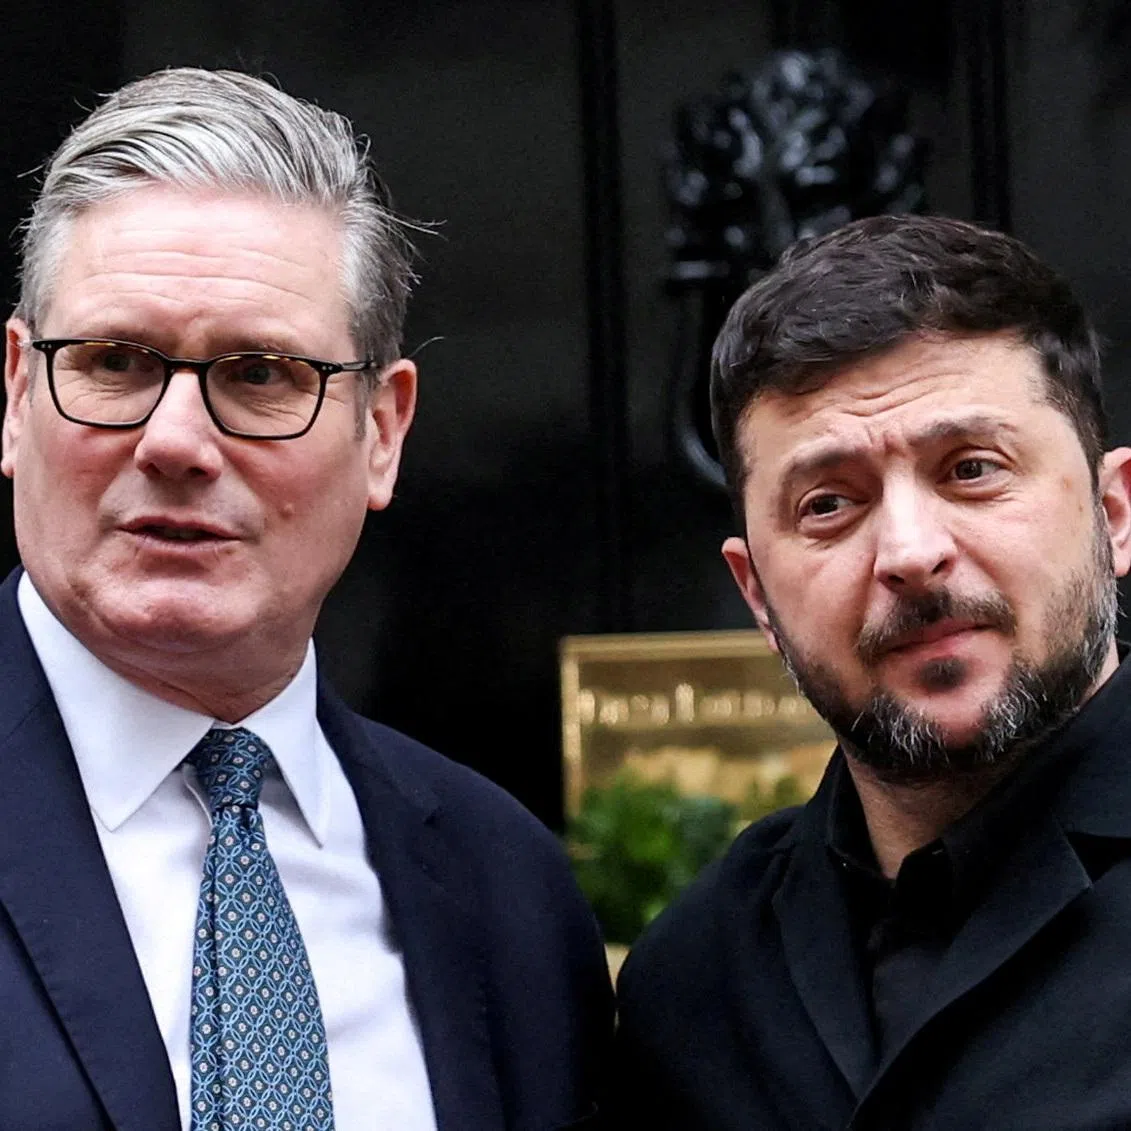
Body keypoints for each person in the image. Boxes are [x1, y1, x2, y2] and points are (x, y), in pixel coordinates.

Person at [0, 67, 612, 1131]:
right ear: (16, 395)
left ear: (382, 433)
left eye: (261, 374)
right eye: (111, 361)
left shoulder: (505, 891)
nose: (177, 442)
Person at [610, 214, 1131, 1129]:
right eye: (828, 503)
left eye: (971, 468)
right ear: (757, 594)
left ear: (1112, 512)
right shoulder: (693, 980)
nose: (909, 551)